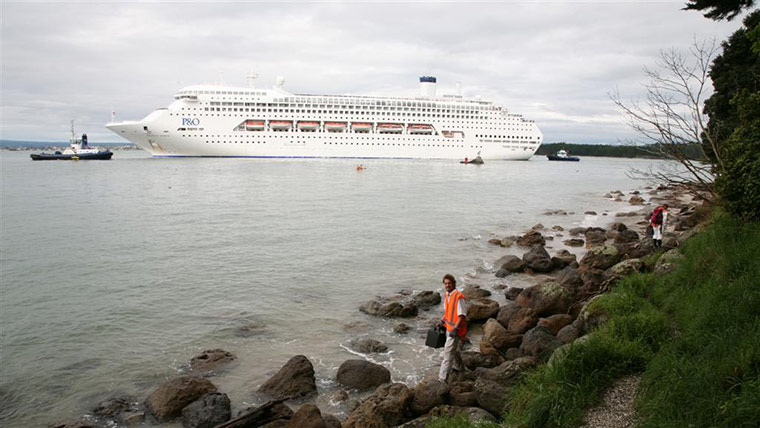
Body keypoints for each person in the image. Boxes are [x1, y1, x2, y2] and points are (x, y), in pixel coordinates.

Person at [438, 274, 467, 382]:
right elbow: (448, 312)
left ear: (454, 283)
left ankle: (442, 379)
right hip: (448, 328)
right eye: (445, 283)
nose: (447, 285)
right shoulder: (447, 295)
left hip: (455, 330)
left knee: (447, 354)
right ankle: (461, 369)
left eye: (449, 283)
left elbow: (462, 315)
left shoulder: (458, 297)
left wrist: (455, 329)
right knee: (453, 351)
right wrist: (442, 320)